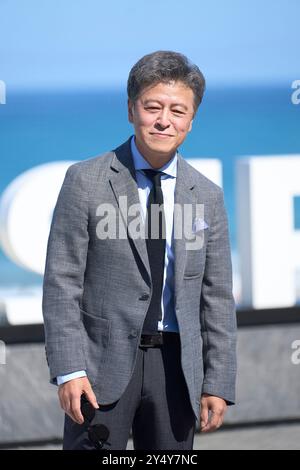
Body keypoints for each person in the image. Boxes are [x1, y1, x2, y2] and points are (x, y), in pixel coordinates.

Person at [42, 50, 237, 450]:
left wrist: (217, 380)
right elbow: (61, 283)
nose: (164, 120)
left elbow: (216, 297)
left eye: (178, 111)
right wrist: (68, 370)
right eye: (153, 107)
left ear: (191, 120)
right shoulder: (85, 180)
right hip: (98, 370)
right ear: (132, 110)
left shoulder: (209, 196)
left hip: (176, 371)